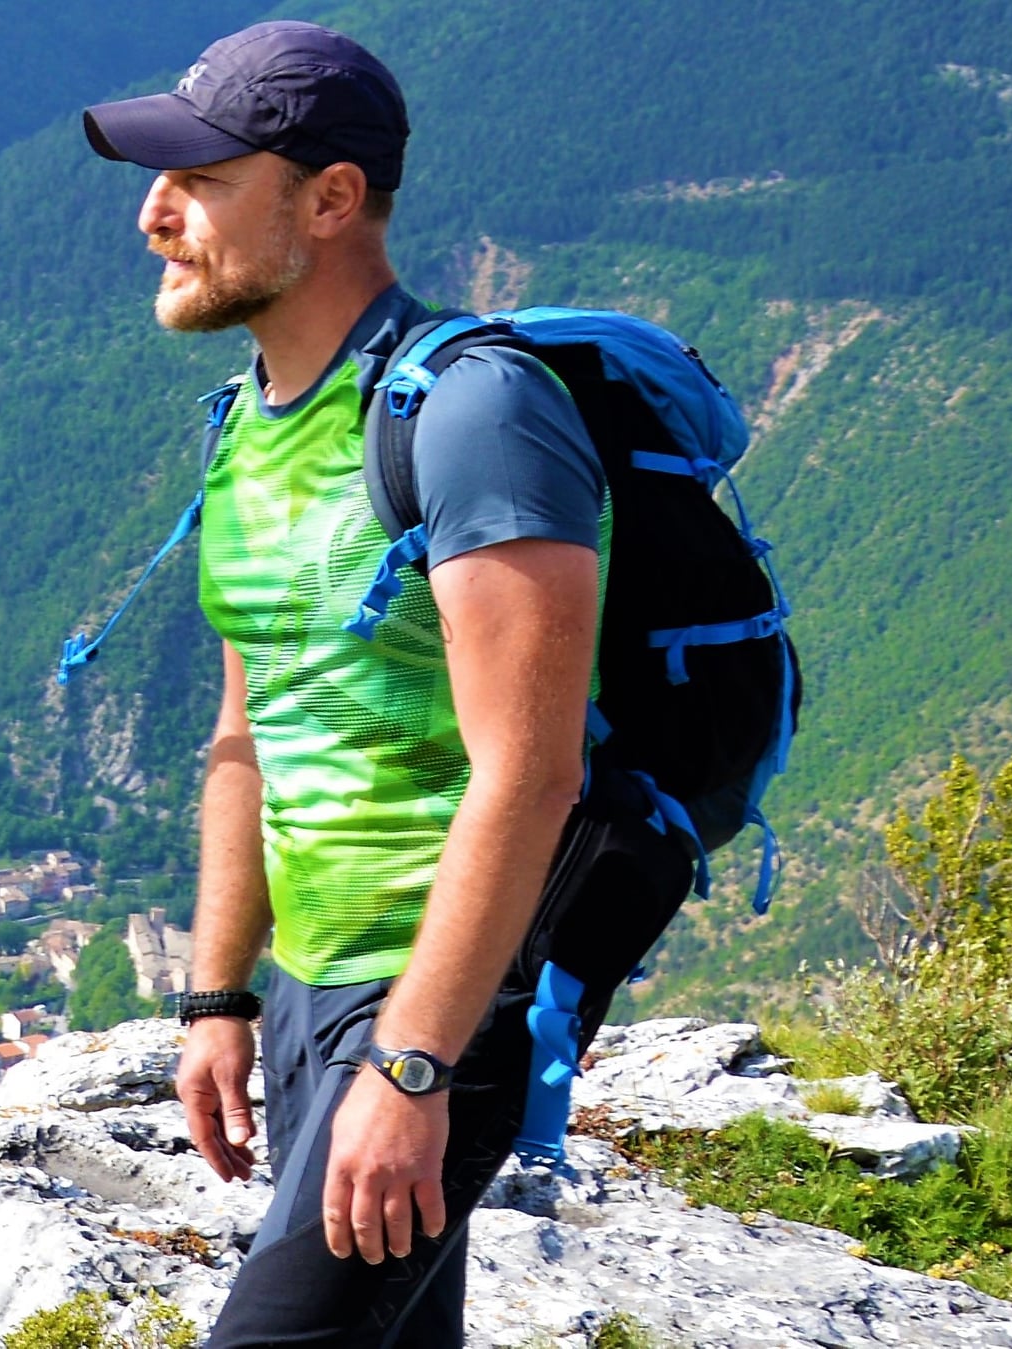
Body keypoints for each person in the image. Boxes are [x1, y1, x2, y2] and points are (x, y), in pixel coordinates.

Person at [84, 21, 608, 1348]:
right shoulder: (249, 421)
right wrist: (219, 995)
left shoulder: (478, 414)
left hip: (448, 993)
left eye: (201, 181)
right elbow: (248, 731)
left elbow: (531, 769)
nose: (154, 216)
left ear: (329, 199)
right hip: (309, 990)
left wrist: (416, 1063)